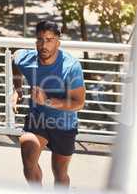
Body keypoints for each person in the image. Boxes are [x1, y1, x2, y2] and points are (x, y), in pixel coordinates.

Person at [12, 21, 86, 188]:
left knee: (60, 173)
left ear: (57, 42)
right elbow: (14, 60)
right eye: (39, 39)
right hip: (38, 119)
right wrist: (17, 89)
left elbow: (78, 102)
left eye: (49, 40)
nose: (43, 45)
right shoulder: (27, 59)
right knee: (28, 160)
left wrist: (47, 101)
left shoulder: (71, 66)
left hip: (64, 124)